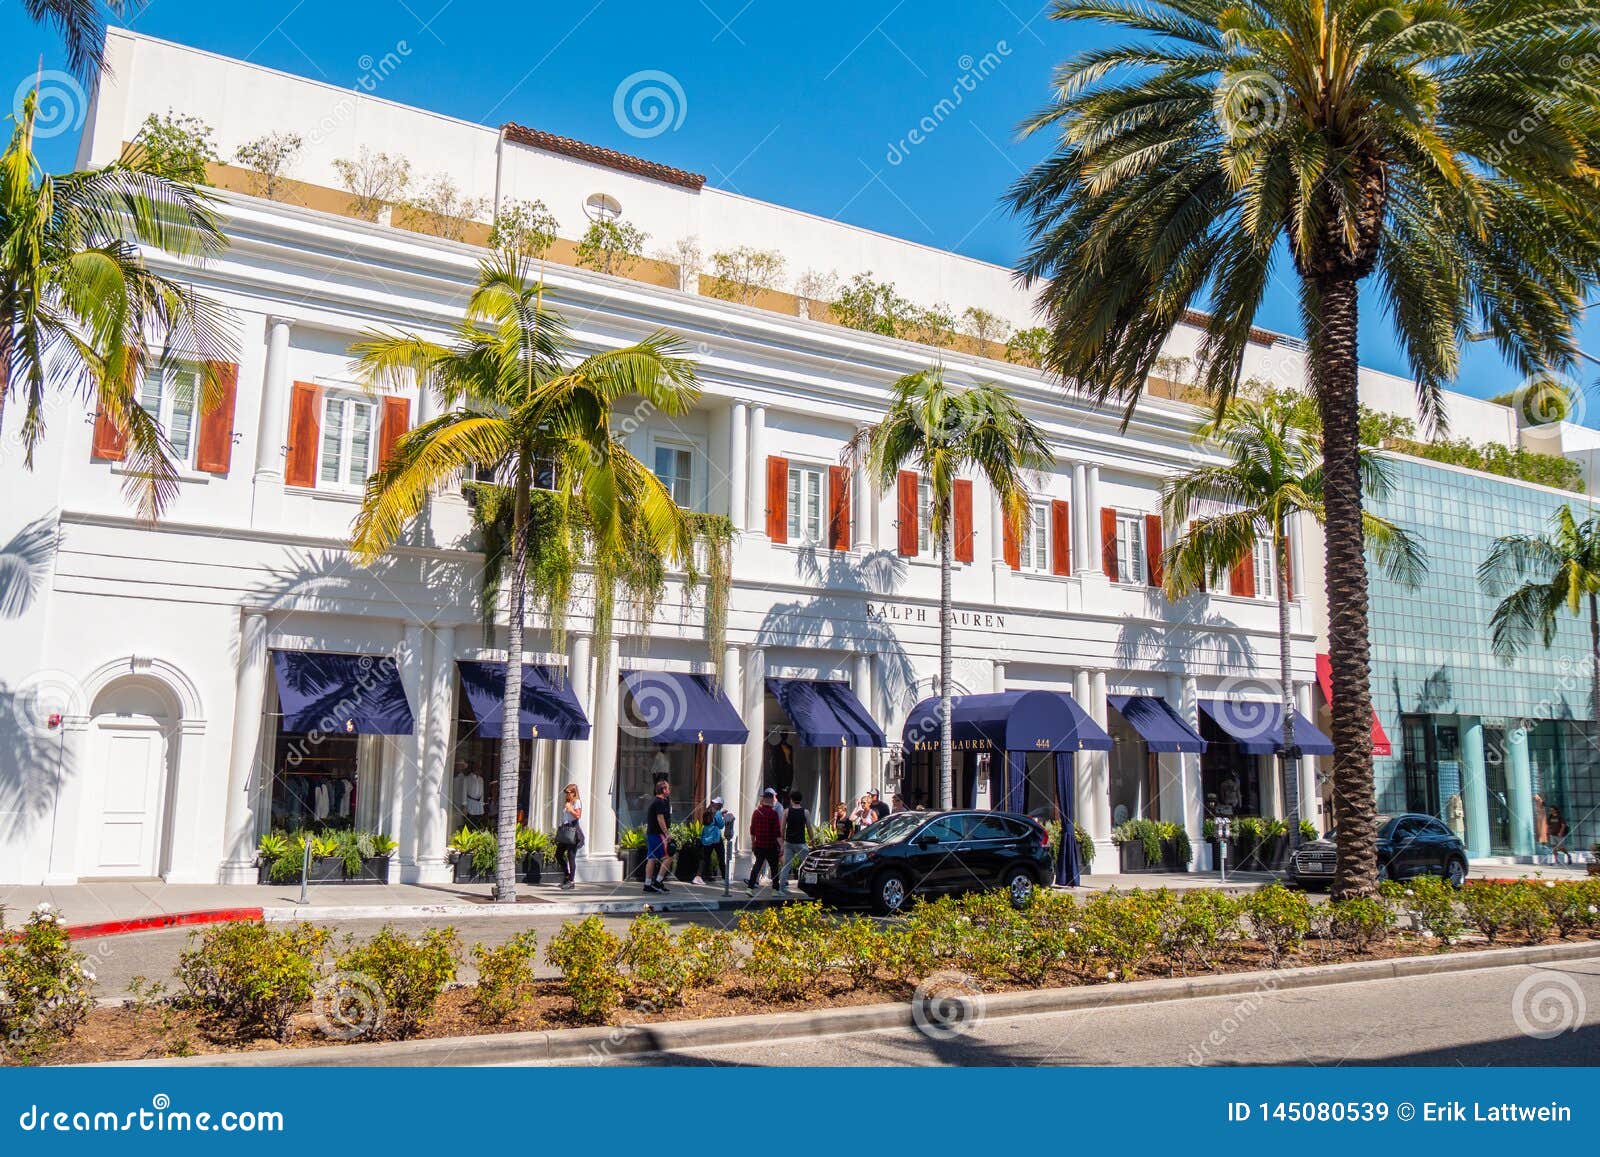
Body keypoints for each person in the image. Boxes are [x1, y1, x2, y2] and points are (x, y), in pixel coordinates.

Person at [746, 787, 783, 892]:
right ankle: (775, 891)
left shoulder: (756, 813)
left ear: (763, 800)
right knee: (774, 868)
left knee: (757, 866)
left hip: (760, 845)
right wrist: (781, 846)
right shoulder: (773, 814)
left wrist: (753, 843)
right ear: (771, 800)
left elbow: (752, 830)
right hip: (771, 846)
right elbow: (777, 833)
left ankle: (750, 888)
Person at [777, 790, 810, 892]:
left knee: (786, 866)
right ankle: (810, 885)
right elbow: (809, 828)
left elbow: (782, 828)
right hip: (801, 843)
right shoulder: (805, 812)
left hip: (789, 843)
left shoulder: (787, 811)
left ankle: (781, 889)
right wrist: (812, 840)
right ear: (800, 800)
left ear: (791, 800)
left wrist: (782, 840)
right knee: (808, 864)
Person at [643, 779, 672, 894]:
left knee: (651, 858)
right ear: (663, 790)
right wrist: (666, 833)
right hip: (658, 834)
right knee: (669, 857)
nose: (669, 790)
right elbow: (660, 818)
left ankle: (647, 884)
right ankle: (658, 881)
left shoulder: (657, 801)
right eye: (667, 788)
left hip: (652, 833)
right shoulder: (659, 802)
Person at [554, 783, 583, 890]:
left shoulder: (577, 802)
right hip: (565, 830)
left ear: (573, 792)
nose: (566, 794)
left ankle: (571, 881)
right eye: (566, 792)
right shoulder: (567, 802)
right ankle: (567, 875)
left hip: (573, 831)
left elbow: (578, 815)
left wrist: (570, 809)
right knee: (558, 854)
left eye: (568, 792)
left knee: (571, 856)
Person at [694, 797, 727, 884]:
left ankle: (698, 877)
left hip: (706, 838)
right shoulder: (717, 813)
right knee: (721, 857)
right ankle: (725, 878)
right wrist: (723, 817)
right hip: (715, 839)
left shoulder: (707, 811)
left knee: (704, 858)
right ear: (719, 805)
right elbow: (721, 825)